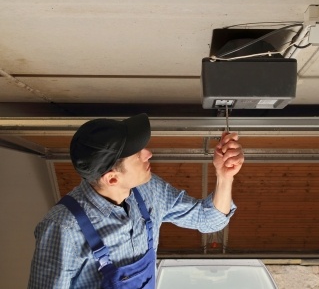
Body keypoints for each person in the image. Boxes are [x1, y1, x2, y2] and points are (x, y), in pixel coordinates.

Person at [28, 113, 244, 289]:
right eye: (137, 154)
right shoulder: (63, 227)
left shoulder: (148, 190)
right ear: (112, 178)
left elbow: (210, 221)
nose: (148, 154)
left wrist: (224, 176)